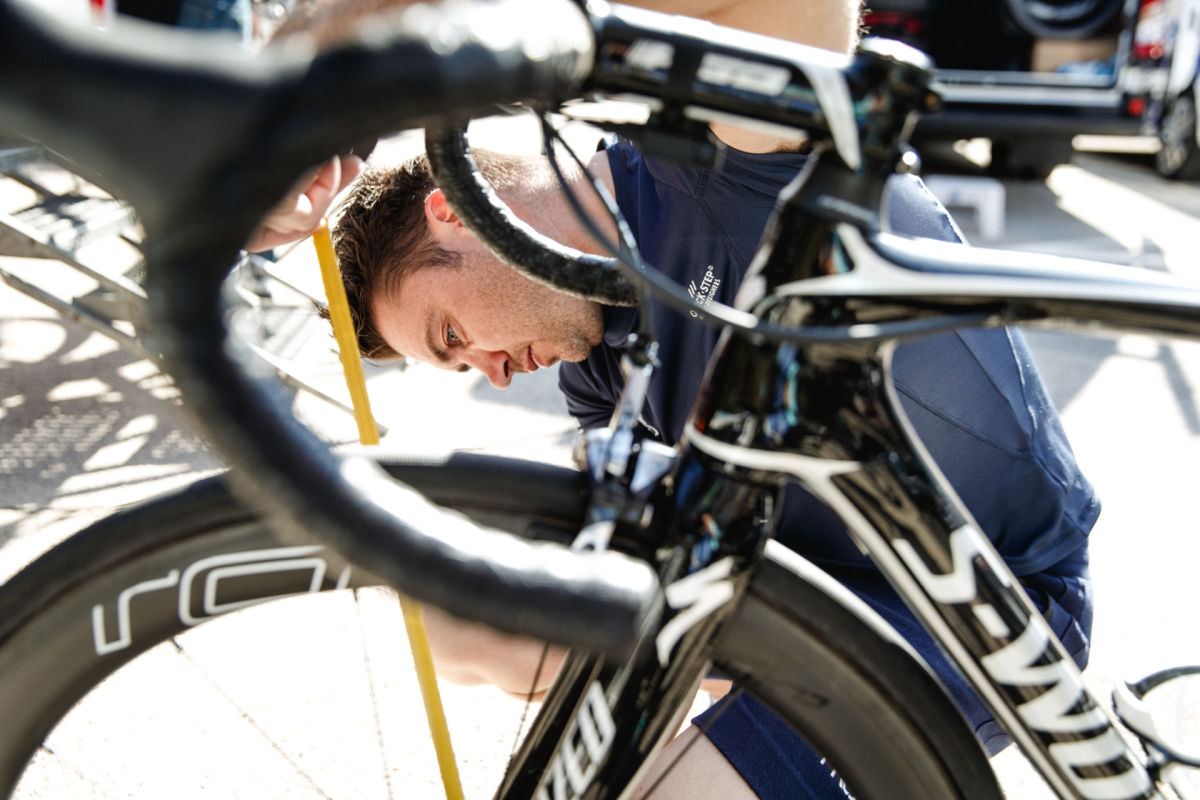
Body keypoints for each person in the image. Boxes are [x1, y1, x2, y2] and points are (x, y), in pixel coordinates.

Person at [256, 1, 1099, 797]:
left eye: (452, 335)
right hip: (809, 609)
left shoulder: (718, 161)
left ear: (457, 211)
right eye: (462, 368)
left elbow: (783, 16)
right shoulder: (599, 368)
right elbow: (632, 587)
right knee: (464, 629)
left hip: (987, 603)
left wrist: (355, 44)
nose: (494, 372)